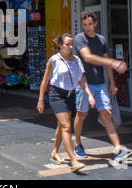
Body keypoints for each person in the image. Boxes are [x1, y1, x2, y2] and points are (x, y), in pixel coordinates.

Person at [73, 11, 132, 163]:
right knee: (82, 115)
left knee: (107, 114)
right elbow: (87, 57)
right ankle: (78, 144)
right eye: (85, 25)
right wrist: (112, 62)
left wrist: (112, 83)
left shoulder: (101, 40)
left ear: (96, 23)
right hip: (84, 83)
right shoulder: (80, 38)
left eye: (90, 24)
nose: (87, 27)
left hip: (100, 83)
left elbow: (106, 64)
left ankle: (118, 148)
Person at [37, 33, 96, 172]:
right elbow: (45, 81)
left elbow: (81, 80)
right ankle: (74, 161)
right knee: (66, 126)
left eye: (71, 44)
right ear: (60, 45)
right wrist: (40, 100)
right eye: (67, 44)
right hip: (57, 95)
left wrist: (89, 94)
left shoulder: (76, 60)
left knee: (61, 126)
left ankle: (54, 152)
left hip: (71, 95)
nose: (70, 47)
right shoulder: (54, 60)